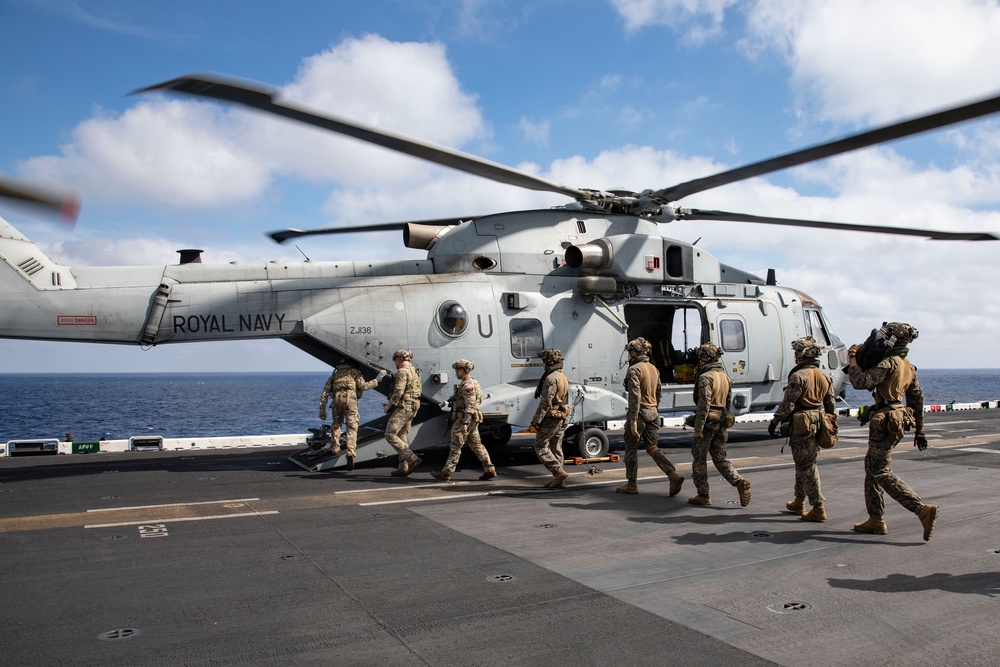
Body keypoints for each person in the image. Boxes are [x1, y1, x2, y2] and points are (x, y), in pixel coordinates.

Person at [847, 322, 938, 541]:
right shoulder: (909, 366)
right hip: (898, 419)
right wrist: (920, 430)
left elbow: (859, 382)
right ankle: (876, 519)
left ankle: (921, 509)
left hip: (885, 421)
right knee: (871, 468)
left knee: (880, 471)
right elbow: (917, 399)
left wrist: (852, 357)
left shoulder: (889, 363)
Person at [768, 337, 836, 522]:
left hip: (802, 424)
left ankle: (818, 507)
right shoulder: (824, 377)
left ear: (803, 354)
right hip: (817, 423)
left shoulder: (799, 376)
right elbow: (830, 405)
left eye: (797, 352)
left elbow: (788, 404)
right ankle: (799, 501)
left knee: (807, 466)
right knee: (803, 463)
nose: (795, 355)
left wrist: (775, 422)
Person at [616, 337, 684, 496]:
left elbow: (635, 396)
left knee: (631, 450)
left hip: (639, 413)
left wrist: (633, 420)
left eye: (630, 352)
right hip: (653, 411)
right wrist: (654, 409)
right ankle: (672, 474)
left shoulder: (634, 369)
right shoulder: (654, 369)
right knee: (652, 447)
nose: (628, 355)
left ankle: (631, 484)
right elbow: (659, 393)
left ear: (635, 352)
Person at [688, 342, 751, 507]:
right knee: (720, 458)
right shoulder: (725, 377)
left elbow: (704, 405)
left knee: (699, 459)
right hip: (721, 423)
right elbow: (728, 404)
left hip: (707, 423)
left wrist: (698, 429)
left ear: (705, 358)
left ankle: (703, 494)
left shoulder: (705, 378)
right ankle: (737, 480)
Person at [432, 359, 497, 482]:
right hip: (471, 420)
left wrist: (464, 423)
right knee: (476, 445)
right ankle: (489, 469)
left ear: (462, 370)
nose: (456, 373)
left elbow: (470, 406)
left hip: (464, 419)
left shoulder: (468, 385)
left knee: (456, 446)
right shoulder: (471, 382)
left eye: (457, 370)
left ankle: (446, 472)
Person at [318, 358, 386, 470]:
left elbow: (325, 393)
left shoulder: (335, 375)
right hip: (351, 400)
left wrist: (322, 410)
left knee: (336, 424)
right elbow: (364, 386)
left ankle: (335, 447)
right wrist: (378, 379)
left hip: (337, 399)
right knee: (352, 427)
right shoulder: (355, 372)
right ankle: (350, 452)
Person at [529, 348, 571, 489]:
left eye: (544, 361)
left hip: (552, 416)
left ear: (549, 361)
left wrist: (536, 420)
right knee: (556, 446)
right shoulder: (562, 376)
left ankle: (558, 472)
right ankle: (559, 480)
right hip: (562, 415)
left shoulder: (551, 378)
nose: (543, 364)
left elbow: (546, 402)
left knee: (540, 445)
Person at [384, 349, 423, 477]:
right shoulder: (415, 371)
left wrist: (389, 405)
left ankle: (412, 458)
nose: (395, 362)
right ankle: (403, 467)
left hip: (404, 406)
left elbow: (398, 391)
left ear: (399, 359)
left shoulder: (402, 372)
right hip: (413, 406)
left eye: (395, 360)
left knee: (390, 434)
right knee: (402, 435)